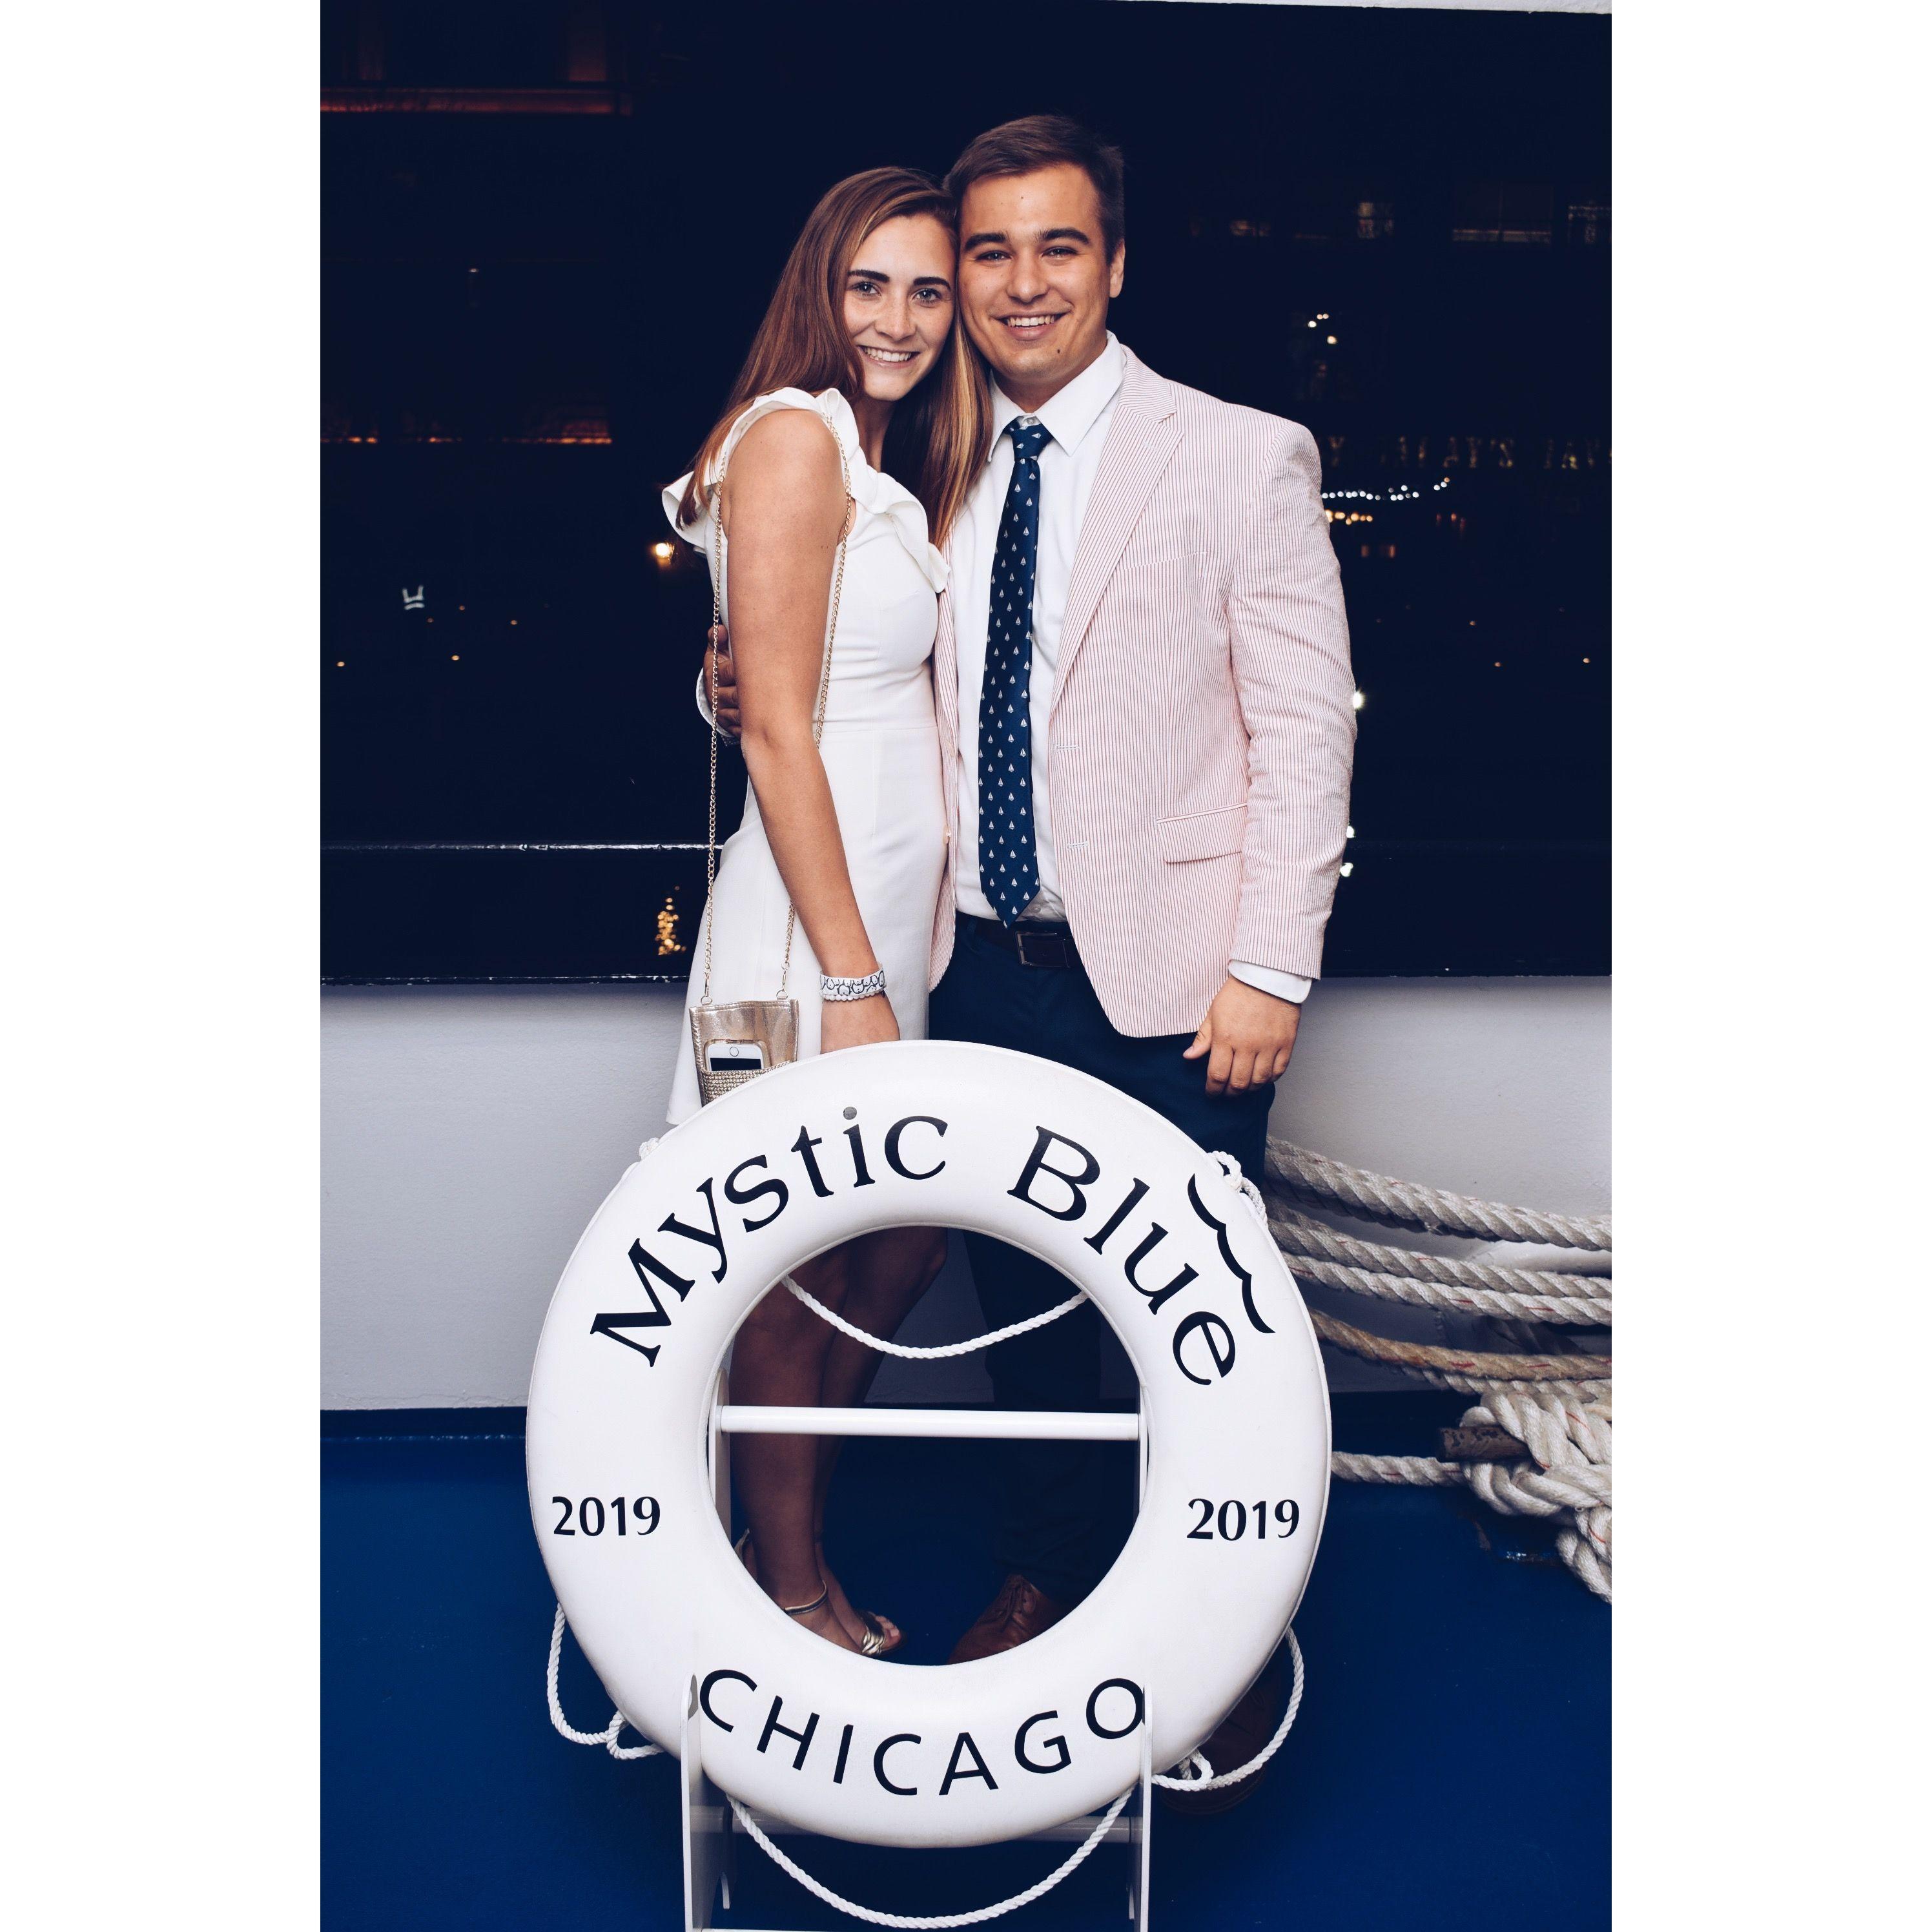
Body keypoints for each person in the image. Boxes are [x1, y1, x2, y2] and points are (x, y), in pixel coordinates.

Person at [706, 117, 1354, 1804]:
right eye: (985, 253)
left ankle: (1217, 1635)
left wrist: (1270, 967)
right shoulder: (928, 461)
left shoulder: (1240, 453)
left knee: (1203, 1333)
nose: (1015, 284)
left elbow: (1306, 731)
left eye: (1054, 247)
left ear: (1114, 263)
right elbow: (838, 663)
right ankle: (1048, 1580)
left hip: (1177, 981)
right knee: (1034, 1315)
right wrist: (737, 677)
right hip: (975, 967)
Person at [663, 167, 987, 1654]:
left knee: (893, 1242)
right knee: (788, 1258)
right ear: (818, 286)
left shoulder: (869, 456)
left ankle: (767, 1523)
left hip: (866, 930)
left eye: (927, 290)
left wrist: (720, 683)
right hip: (798, 941)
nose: (899, 319)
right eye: (869, 284)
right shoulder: (796, 435)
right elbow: (783, 735)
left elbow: (778, 681)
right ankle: (787, 1588)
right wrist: (851, 977)